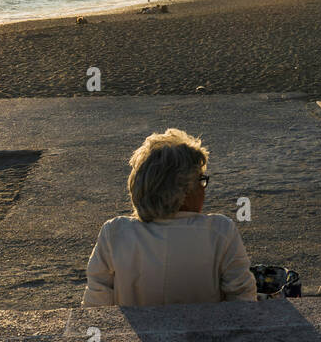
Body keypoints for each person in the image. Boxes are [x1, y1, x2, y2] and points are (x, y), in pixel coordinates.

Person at [82, 128, 257, 306]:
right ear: (185, 189)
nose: (204, 188)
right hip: (204, 333)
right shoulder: (220, 232)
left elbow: (95, 307)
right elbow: (243, 300)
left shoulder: (115, 233)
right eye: (201, 180)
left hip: (137, 334)